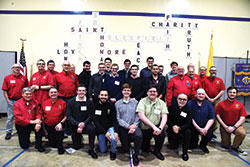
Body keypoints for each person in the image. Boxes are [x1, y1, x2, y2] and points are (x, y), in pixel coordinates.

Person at [137, 85, 168, 160]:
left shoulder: (161, 103)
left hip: (157, 127)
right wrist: (153, 127)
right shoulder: (142, 101)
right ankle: (146, 147)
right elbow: (141, 116)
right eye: (150, 91)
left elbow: (164, 117)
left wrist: (160, 128)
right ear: (147, 93)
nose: (152, 93)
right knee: (144, 148)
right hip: (145, 127)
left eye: (154, 91)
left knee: (161, 135)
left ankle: (157, 151)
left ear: (157, 93)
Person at [67, 84, 98, 159]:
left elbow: (91, 115)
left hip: (86, 123)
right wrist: (78, 124)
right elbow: (69, 116)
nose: (81, 92)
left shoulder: (89, 102)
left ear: (86, 92)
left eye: (83, 90)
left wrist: (83, 124)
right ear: (76, 91)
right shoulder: (71, 102)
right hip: (75, 124)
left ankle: (91, 149)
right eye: (80, 90)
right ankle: (77, 141)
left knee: (92, 129)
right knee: (76, 147)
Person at [115, 84, 143, 166]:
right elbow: (118, 118)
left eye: (128, 90)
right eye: (124, 90)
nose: (126, 92)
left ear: (130, 92)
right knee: (125, 149)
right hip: (124, 127)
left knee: (139, 136)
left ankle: (136, 155)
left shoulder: (136, 102)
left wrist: (134, 125)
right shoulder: (117, 103)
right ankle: (127, 145)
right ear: (122, 92)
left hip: (134, 126)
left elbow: (138, 115)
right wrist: (128, 126)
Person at [215, 86, 247, 156]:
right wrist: (225, 126)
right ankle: (226, 139)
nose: (232, 94)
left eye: (234, 92)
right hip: (224, 126)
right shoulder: (221, 104)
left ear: (236, 94)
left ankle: (235, 146)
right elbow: (217, 116)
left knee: (242, 133)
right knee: (225, 146)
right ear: (227, 93)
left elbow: (242, 118)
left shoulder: (240, 105)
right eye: (230, 92)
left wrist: (234, 127)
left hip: (236, 126)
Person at [2, 64, 29, 140]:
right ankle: (8, 132)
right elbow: (5, 90)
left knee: (22, 117)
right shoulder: (7, 78)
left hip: (21, 101)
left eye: (18, 67)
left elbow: (27, 89)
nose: (17, 69)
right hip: (12, 101)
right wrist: (8, 100)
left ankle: (21, 130)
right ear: (12, 69)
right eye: (15, 67)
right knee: (10, 117)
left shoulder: (24, 78)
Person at [13, 87, 44, 152]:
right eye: (26, 94)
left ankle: (39, 145)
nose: (29, 96)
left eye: (30, 94)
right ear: (22, 94)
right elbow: (18, 117)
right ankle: (26, 139)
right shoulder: (16, 104)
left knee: (40, 129)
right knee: (24, 145)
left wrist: (38, 122)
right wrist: (31, 122)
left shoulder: (35, 102)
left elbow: (39, 113)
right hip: (22, 124)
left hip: (33, 122)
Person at [92, 90, 119, 160]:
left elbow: (114, 120)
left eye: (105, 95)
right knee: (103, 150)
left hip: (110, 128)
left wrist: (116, 132)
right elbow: (96, 122)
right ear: (99, 96)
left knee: (114, 138)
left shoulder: (111, 105)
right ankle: (105, 140)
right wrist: (105, 133)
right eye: (102, 95)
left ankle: (113, 152)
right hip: (100, 130)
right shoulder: (95, 106)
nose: (103, 97)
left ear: (108, 96)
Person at [38, 87, 66, 154]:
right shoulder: (44, 103)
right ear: (49, 94)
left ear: (58, 93)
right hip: (48, 125)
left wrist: (61, 123)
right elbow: (41, 114)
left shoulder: (63, 103)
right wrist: (41, 124)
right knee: (52, 144)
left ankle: (60, 147)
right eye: (51, 92)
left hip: (58, 125)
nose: (53, 94)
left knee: (59, 138)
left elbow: (66, 115)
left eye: (55, 92)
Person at [187, 88, 215, 153]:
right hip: (193, 127)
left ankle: (203, 145)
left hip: (205, 127)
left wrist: (205, 129)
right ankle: (193, 142)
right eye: (199, 94)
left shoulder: (209, 104)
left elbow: (211, 118)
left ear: (205, 95)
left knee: (209, 134)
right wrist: (199, 129)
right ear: (196, 95)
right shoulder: (190, 103)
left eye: (203, 94)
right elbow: (190, 118)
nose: (201, 95)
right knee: (193, 145)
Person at [167, 93, 192, 161]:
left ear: (187, 101)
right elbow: (168, 121)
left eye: (184, 99)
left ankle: (185, 152)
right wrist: (173, 126)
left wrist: (180, 128)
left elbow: (189, 123)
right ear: (177, 99)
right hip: (173, 128)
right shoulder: (171, 108)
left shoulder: (189, 109)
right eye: (180, 99)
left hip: (183, 128)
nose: (182, 101)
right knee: (173, 147)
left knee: (188, 132)